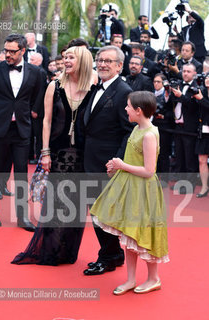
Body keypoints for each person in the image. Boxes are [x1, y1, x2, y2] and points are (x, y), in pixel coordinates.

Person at [12, 46, 94, 265]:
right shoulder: (54, 86)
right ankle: (50, 250)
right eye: (64, 57)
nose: (65, 61)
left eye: (71, 57)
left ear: (83, 60)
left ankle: (68, 251)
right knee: (56, 201)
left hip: (83, 153)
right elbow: (46, 121)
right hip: (57, 151)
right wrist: (45, 152)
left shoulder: (93, 87)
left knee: (76, 203)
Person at [90, 91, 169, 295]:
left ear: (138, 110)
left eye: (128, 106)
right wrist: (116, 167)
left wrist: (122, 165)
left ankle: (153, 278)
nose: (125, 109)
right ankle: (131, 279)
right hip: (129, 187)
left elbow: (149, 170)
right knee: (129, 235)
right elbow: (133, 160)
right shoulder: (136, 129)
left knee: (146, 234)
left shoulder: (150, 134)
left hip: (143, 190)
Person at [83, 45, 134, 275]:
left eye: (108, 61)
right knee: (96, 211)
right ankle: (112, 254)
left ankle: (109, 256)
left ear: (119, 66)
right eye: (100, 60)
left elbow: (128, 130)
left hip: (107, 165)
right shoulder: (97, 87)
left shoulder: (123, 91)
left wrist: (117, 161)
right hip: (91, 159)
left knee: (102, 213)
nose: (102, 64)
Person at [0, 33, 41, 230]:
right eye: (6, 50)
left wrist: (32, 113)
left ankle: (23, 217)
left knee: (22, 174)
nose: (8, 55)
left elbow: (38, 96)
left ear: (23, 51)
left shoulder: (35, 72)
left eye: (12, 51)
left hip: (22, 129)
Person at [171, 63, 199, 194]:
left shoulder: (197, 87)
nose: (185, 73)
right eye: (184, 71)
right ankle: (179, 182)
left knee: (189, 158)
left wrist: (180, 96)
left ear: (194, 73)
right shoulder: (179, 85)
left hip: (189, 128)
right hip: (177, 126)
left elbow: (194, 107)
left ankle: (190, 185)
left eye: (188, 71)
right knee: (179, 156)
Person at [152, 73, 174, 178]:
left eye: (158, 82)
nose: (156, 84)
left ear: (164, 83)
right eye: (154, 82)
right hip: (153, 126)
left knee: (164, 153)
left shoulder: (168, 95)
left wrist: (163, 116)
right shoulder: (151, 94)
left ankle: (164, 177)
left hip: (165, 128)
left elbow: (173, 112)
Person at [194, 72, 209, 198]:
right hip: (203, 131)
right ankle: (204, 187)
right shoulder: (201, 92)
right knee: (202, 160)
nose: (208, 79)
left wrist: (202, 100)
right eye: (207, 77)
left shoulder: (202, 97)